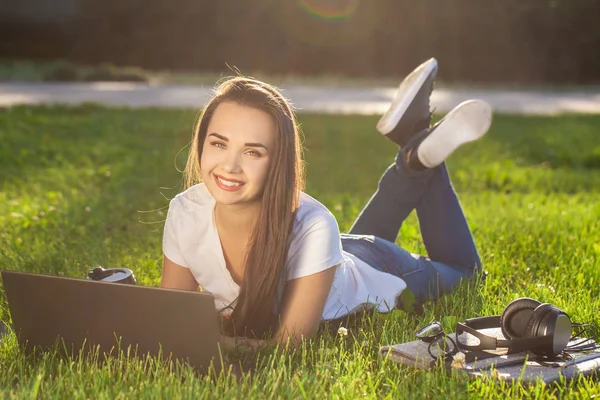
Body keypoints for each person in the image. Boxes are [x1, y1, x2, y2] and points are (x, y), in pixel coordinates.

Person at [160, 58, 492, 347]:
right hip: (334, 258)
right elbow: (172, 319)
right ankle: (415, 143)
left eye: (252, 152)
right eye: (218, 144)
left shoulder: (314, 226)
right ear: (200, 144)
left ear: (278, 161)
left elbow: (287, 347)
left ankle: (418, 154)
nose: (229, 166)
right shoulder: (186, 211)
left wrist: (214, 343)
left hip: (379, 268)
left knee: (467, 273)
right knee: (337, 251)